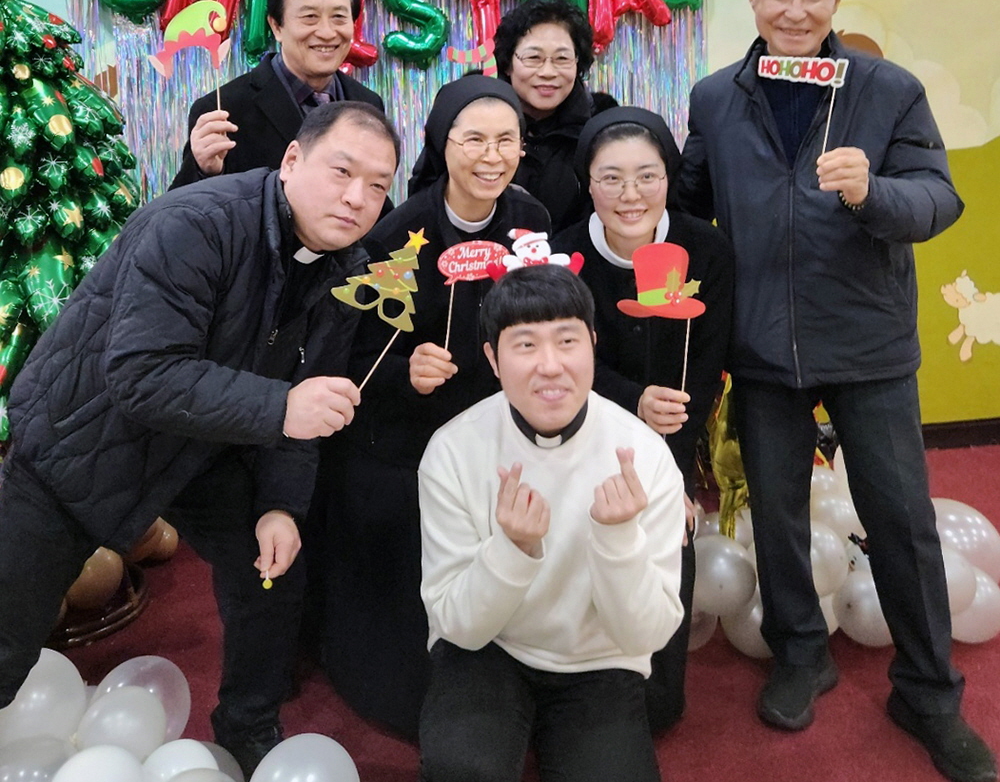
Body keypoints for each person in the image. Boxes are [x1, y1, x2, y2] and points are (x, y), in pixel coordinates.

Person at [676, 0, 995, 782]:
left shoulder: (888, 90)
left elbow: (938, 198)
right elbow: (690, 204)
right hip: (761, 348)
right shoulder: (715, 97)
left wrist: (872, 191)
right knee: (776, 513)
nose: (795, 9)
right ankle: (801, 651)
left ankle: (928, 691)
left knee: (902, 518)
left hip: (868, 342)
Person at [1, 101, 400, 778]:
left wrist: (280, 506)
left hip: (208, 443)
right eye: (342, 171)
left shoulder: (346, 271)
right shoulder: (196, 223)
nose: (357, 197)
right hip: (83, 440)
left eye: (379, 185)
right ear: (293, 160)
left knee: (271, 570)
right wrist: (281, 406)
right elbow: (141, 373)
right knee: (8, 627)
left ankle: (249, 725)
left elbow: (311, 403)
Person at [307, 75, 550, 740]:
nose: (491, 156)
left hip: (499, 427)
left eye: (506, 140)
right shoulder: (397, 234)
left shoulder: (530, 221)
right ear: (442, 144)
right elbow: (349, 359)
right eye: (474, 139)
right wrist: (404, 373)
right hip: (404, 434)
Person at [417, 265, 686, 782]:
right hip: (490, 649)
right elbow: (458, 625)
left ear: (593, 344)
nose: (550, 366)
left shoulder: (645, 456)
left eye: (567, 341)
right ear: (493, 359)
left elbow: (646, 634)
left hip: (599, 662)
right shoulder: (453, 449)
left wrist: (618, 539)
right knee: (461, 769)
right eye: (525, 345)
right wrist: (512, 549)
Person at [553, 105, 734, 732]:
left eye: (647, 176)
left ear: (668, 177)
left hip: (670, 443)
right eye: (611, 178)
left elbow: (703, 371)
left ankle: (655, 691)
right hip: (581, 433)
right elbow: (561, 364)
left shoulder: (705, 249)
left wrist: (673, 478)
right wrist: (633, 400)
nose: (630, 195)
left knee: (667, 530)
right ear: (588, 182)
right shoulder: (565, 254)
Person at [171, 0, 384, 188]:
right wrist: (204, 171)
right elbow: (182, 205)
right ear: (276, 26)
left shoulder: (368, 104)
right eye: (310, 17)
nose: (326, 32)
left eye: (339, 17)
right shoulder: (223, 110)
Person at [490, 0, 616, 232]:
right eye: (534, 57)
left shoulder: (602, 125)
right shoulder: (476, 118)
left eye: (562, 58)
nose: (548, 72)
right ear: (507, 63)